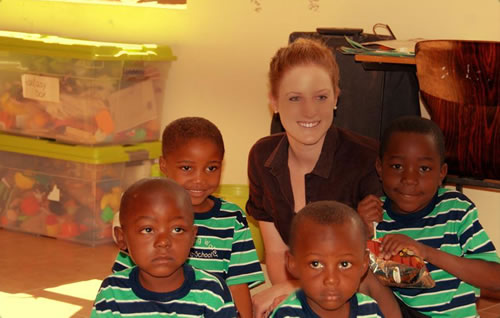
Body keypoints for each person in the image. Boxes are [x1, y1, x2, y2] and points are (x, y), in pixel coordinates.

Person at [246, 38, 400, 317]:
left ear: (336, 98)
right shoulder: (261, 157)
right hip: (304, 290)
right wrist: (292, 298)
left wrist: (291, 291)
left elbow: (376, 269)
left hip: (362, 297)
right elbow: (277, 252)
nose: (309, 111)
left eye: (321, 97)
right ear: (273, 102)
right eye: (295, 98)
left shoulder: (367, 159)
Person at [112, 117, 264, 318]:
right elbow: (122, 281)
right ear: (164, 165)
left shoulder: (232, 219)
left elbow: (237, 285)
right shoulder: (145, 212)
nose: (200, 179)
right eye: (186, 168)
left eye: (211, 168)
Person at [358, 116, 500, 317]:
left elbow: (496, 279)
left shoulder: (456, 210)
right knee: (360, 275)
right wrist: (362, 231)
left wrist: (424, 252)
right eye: (397, 166)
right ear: (380, 168)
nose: (409, 179)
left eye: (424, 169)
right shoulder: (374, 215)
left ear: (442, 173)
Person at [91, 178, 237, 317]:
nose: (163, 242)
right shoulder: (112, 293)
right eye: (148, 230)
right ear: (122, 238)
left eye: (177, 229)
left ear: (193, 237)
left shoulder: (212, 292)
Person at [270, 200, 384, 318]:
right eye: (316, 264)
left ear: (364, 264)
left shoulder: (370, 309)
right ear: (292, 264)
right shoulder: (287, 314)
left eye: (344, 264)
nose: (331, 279)